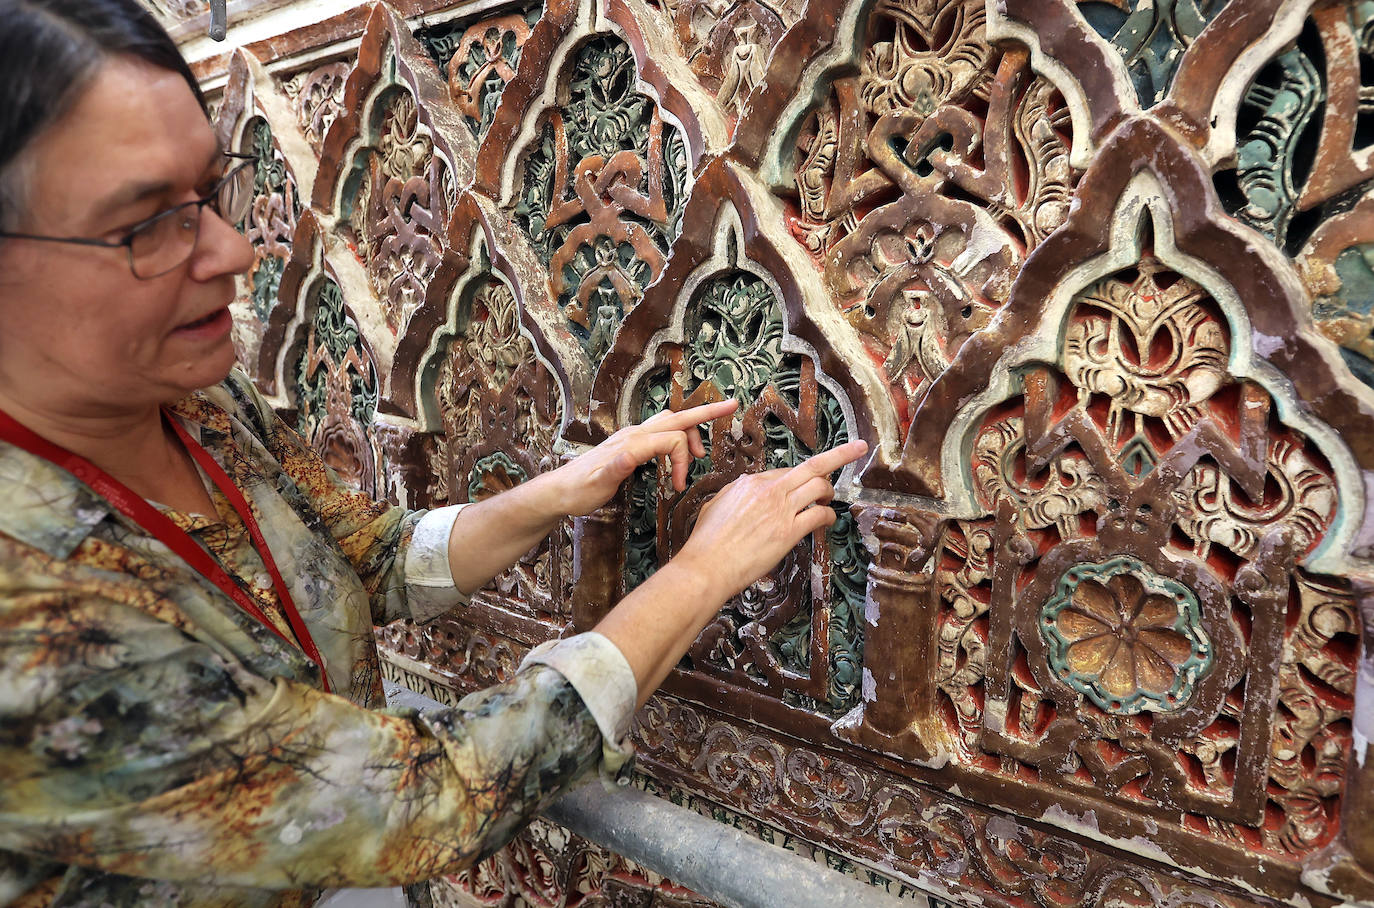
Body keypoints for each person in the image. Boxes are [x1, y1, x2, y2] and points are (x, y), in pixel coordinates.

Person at [0, 1, 868, 906]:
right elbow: (422, 804)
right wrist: (704, 571)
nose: (235, 251)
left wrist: (562, 490)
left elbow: (369, 559)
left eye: (210, 193)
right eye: (145, 226)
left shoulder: (193, 403)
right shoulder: (29, 616)